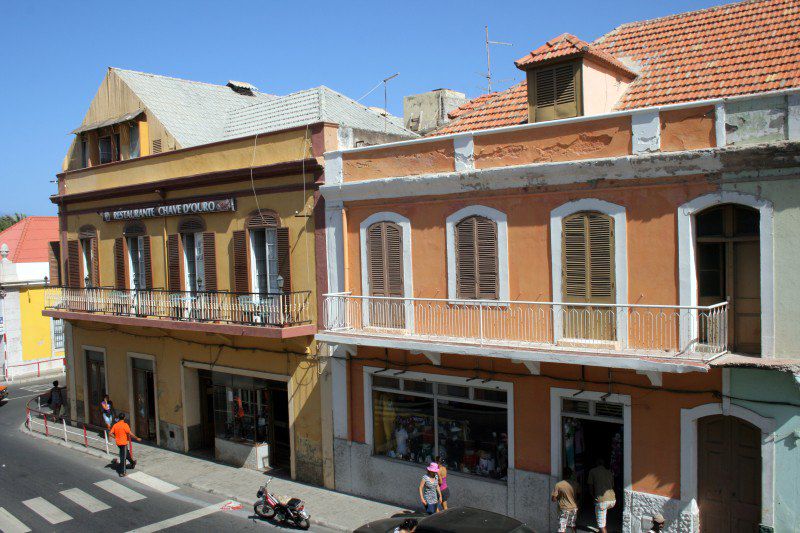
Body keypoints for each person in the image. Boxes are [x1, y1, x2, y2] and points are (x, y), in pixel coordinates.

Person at [587, 458, 617, 533]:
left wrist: (593, 496)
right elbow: (612, 485)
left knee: (601, 525)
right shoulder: (609, 472)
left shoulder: (592, 471)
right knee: (602, 518)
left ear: (596, 463)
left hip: (602, 501)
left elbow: (590, 486)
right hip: (612, 499)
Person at [110, 413, 141, 477]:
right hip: (123, 443)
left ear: (118, 418)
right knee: (123, 457)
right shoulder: (125, 425)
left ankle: (133, 463)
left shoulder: (115, 425)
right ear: (124, 418)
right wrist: (137, 438)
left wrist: (115, 437)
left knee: (127, 454)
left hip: (118, 443)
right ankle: (123, 472)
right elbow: (130, 433)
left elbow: (110, 433)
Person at [551, 466, 579, 533]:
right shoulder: (576, 484)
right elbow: (578, 496)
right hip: (574, 508)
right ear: (571, 474)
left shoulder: (558, 485)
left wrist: (559, 497)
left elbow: (553, 499)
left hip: (564, 509)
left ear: (563, 474)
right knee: (573, 525)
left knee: (562, 528)